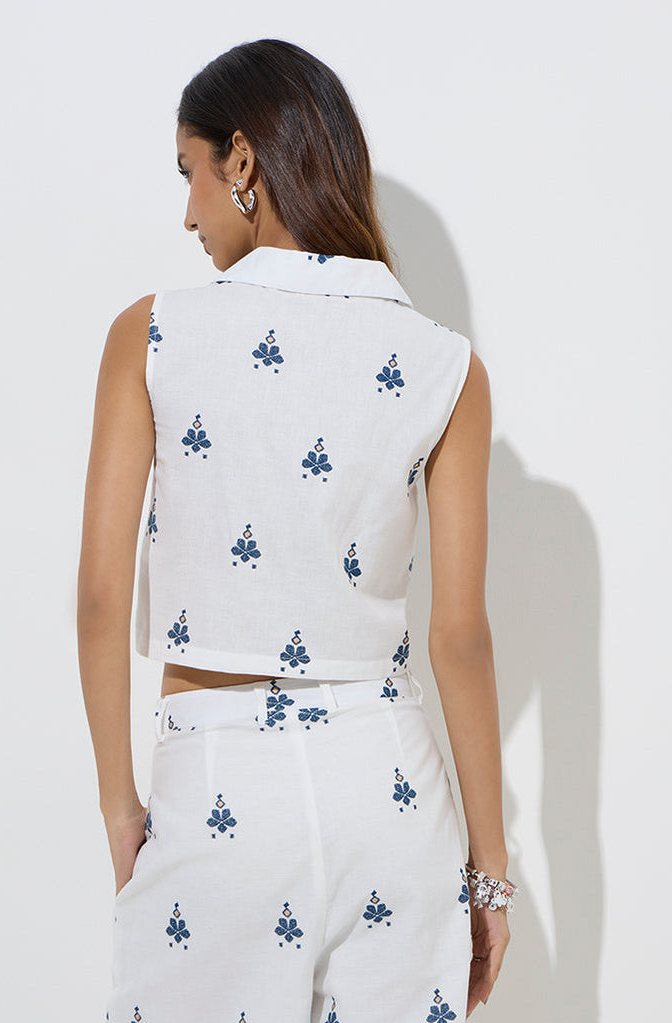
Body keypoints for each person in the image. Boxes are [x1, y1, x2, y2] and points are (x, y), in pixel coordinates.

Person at [78, 37, 516, 1023]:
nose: (186, 212)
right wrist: (488, 875)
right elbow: (459, 637)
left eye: (189, 173)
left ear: (240, 160)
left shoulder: (151, 335)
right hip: (392, 797)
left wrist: (119, 807)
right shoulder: (447, 366)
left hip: (218, 787)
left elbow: (102, 599)